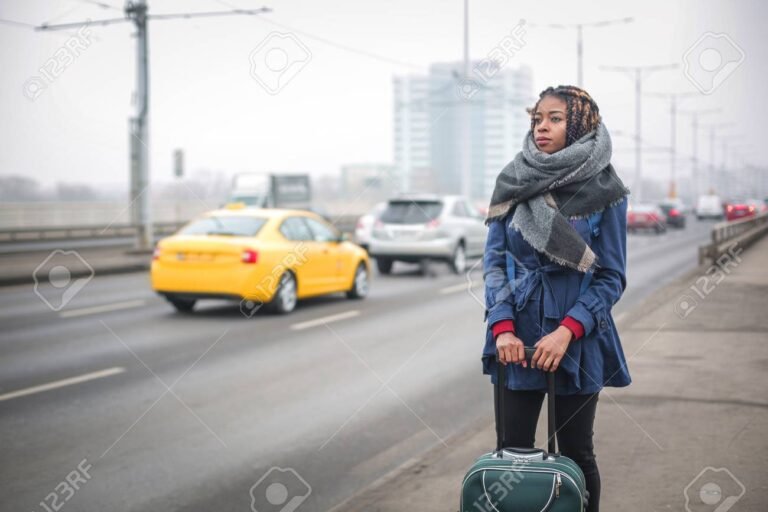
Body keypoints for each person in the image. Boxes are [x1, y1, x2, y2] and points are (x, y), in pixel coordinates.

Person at [481, 85, 631, 512]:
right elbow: (494, 264)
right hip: (517, 338)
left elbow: (611, 277)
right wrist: (503, 328)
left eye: (555, 118)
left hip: (578, 338)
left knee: (576, 455)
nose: (542, 127)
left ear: (581, 124)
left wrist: (567, 332)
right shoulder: (513, 179)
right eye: (537, 119)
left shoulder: (607, 190)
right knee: (513, 455)